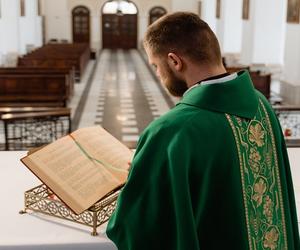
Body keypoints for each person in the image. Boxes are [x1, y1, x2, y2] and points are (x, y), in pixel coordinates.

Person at [106, 12, 300, 250]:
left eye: (156, 66)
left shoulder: (171, 131)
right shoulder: (261, 105)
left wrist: (140, 179)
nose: (158, 74)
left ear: (175, 61)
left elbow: (138, 227)